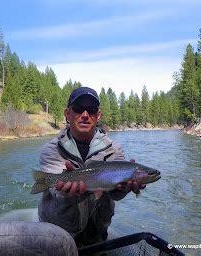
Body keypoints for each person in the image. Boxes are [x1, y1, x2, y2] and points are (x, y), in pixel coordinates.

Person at [38, 86, 145, 247]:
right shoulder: (51, 150)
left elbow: (115, 195)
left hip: (96, 232)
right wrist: (70, 194)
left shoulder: (114, 149)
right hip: (58, 233)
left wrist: (121, 189)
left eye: (92, 110)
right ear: (68, 114)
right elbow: (56, 193)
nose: (85, 115)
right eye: (79, 109)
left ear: (98, 115)